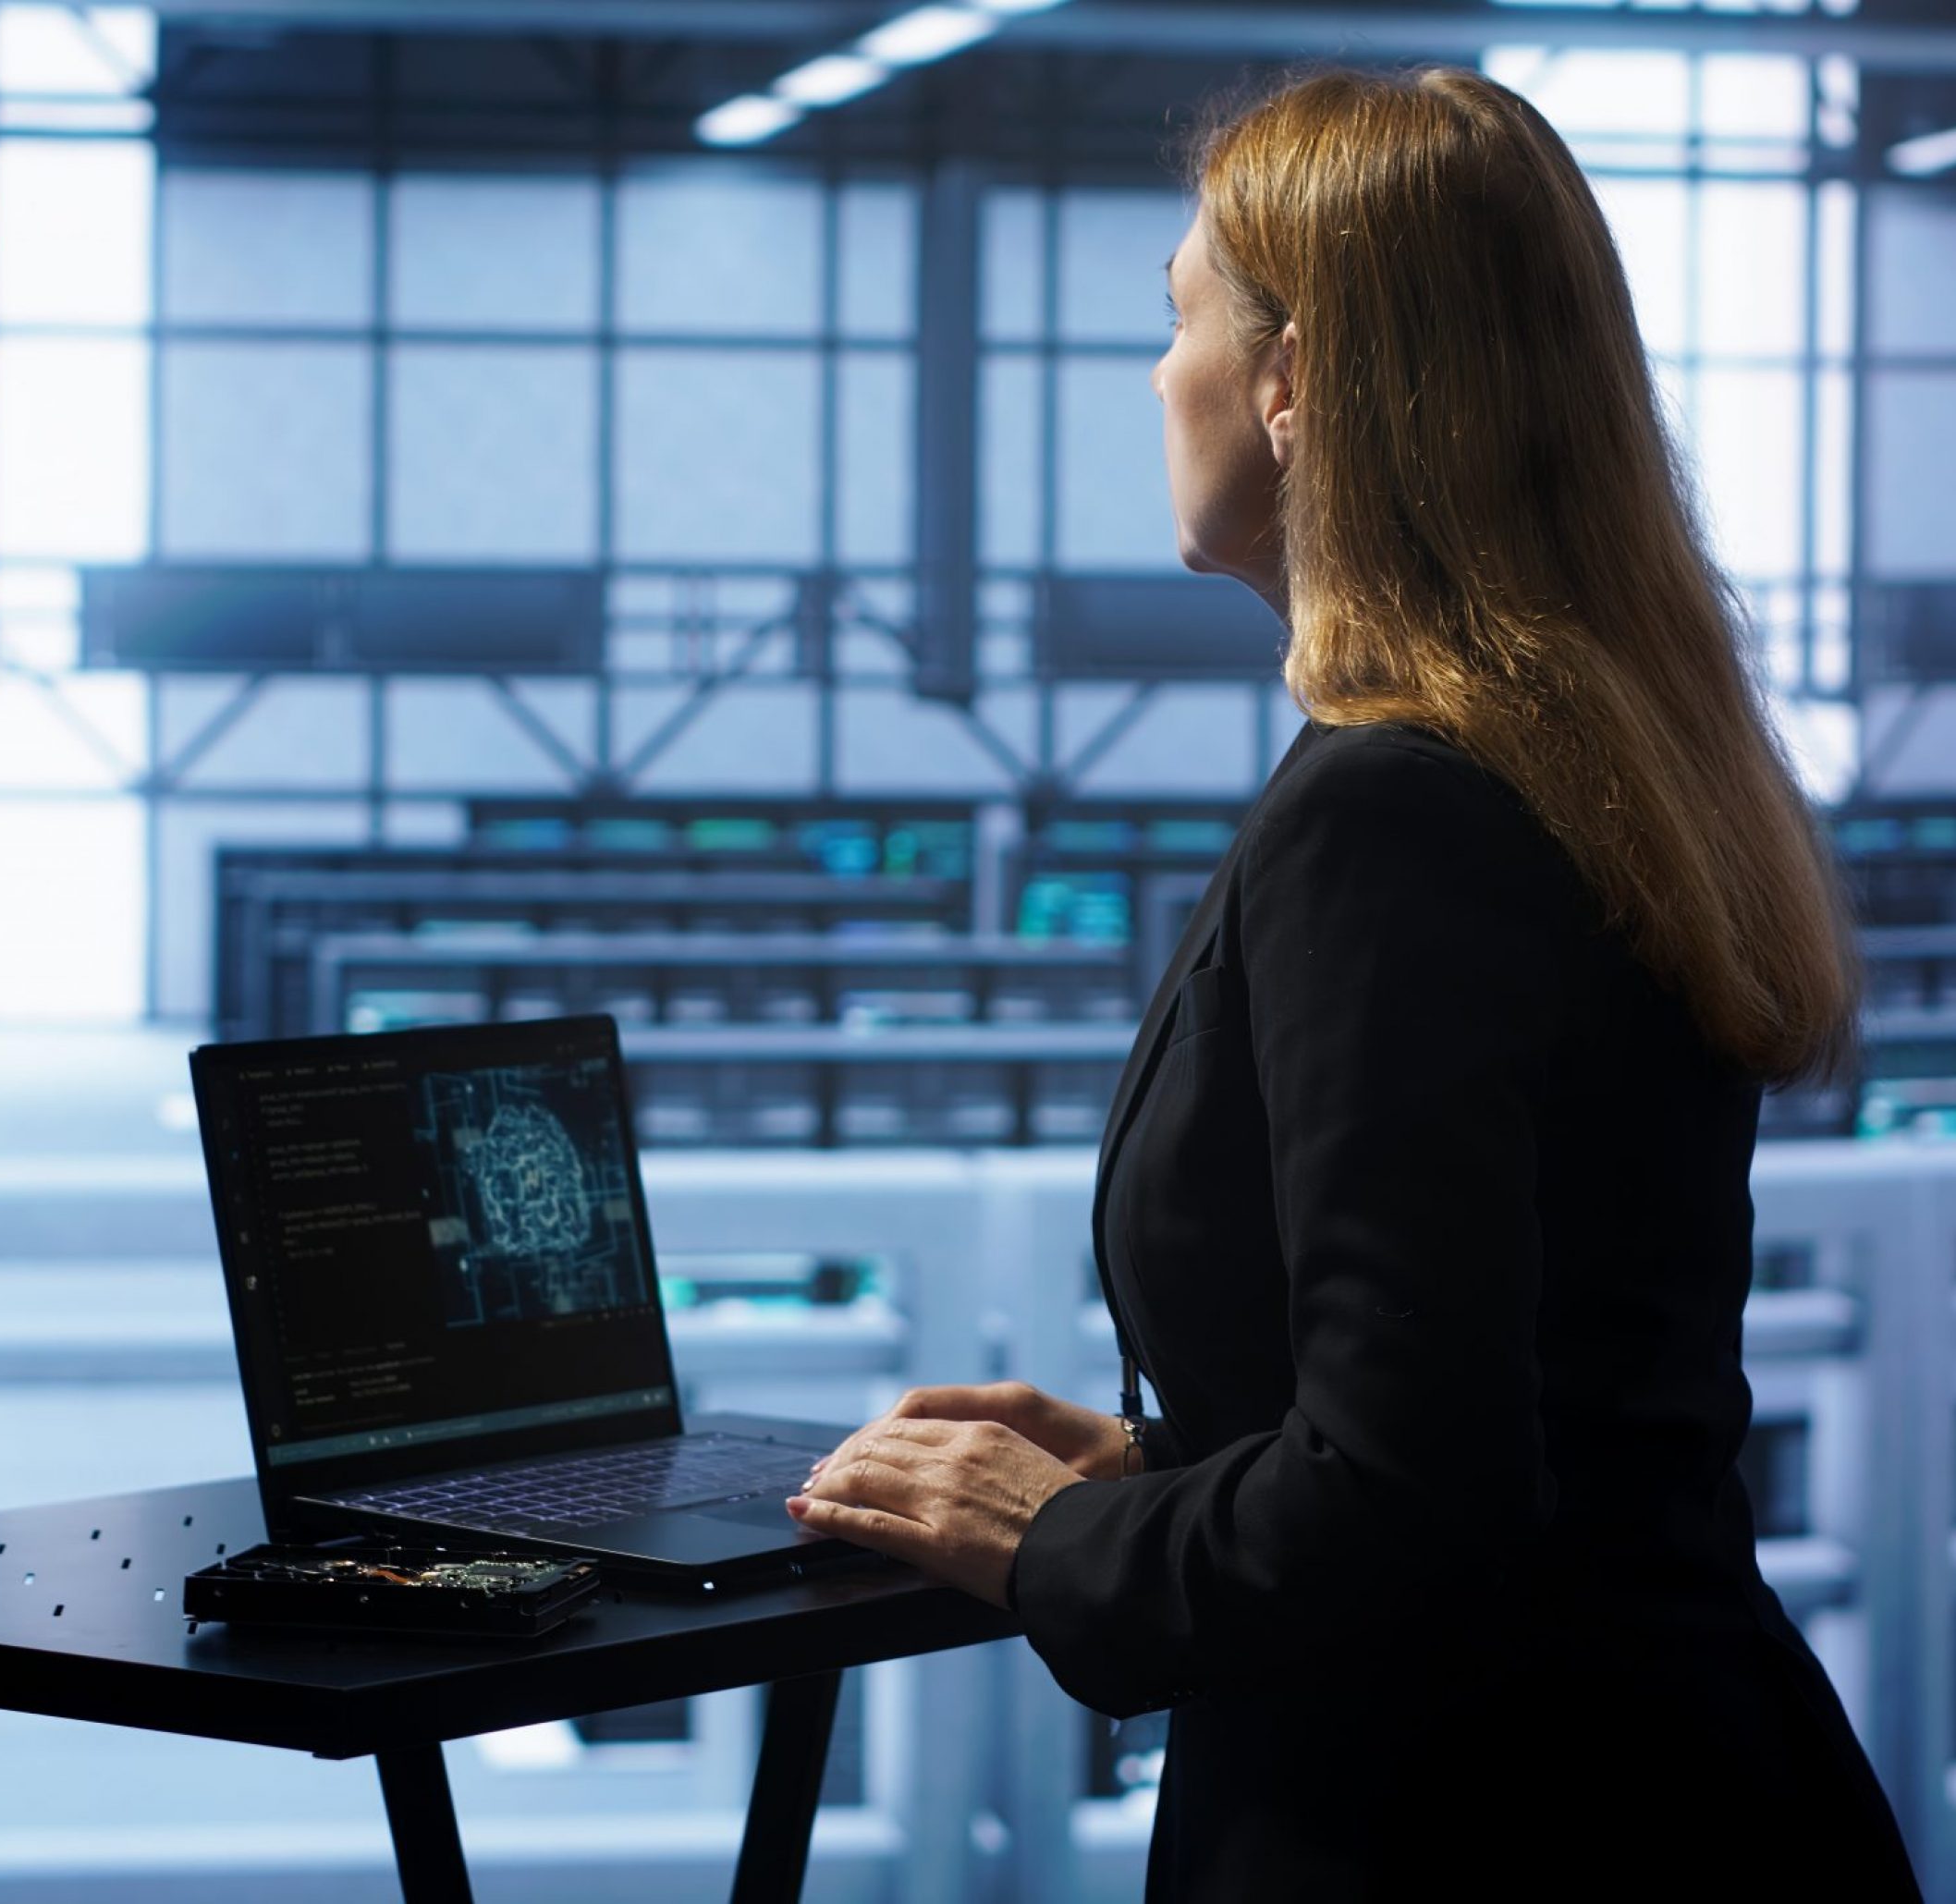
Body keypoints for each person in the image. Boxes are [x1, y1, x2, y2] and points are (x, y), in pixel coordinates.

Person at [781, 63, 1925, 1901]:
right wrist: (1174, 1451)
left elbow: (1419, 1510)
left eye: (1180, 320)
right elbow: (1539, 1394)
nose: (1157, 377)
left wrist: (1058, 1542)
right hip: (1685, 1784)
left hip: (1461, 1824)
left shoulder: (1385, 817)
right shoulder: (1583, 768)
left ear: (1294, 380)